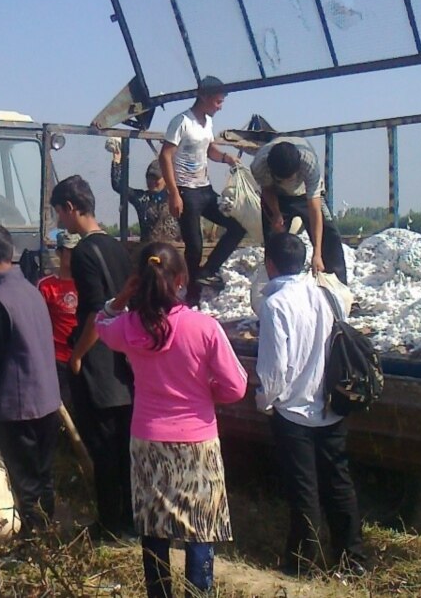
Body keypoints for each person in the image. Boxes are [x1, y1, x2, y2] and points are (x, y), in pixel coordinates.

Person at [95, 243, 247, 598]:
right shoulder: (203, 327)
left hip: (147, 439)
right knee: (200, 524)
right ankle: (200, 592)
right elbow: (236, 387)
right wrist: (207, 392)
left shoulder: (129, 327)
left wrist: (120, 298)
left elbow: (100, 324)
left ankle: (158, 592)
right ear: (181, 280)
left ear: (140, 280)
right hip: (197, 440)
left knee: (153, 525)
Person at [255, 233, 366, 576]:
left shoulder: (275, 305)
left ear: (269, 265)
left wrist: (265, 402)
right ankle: (353, 559)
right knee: (339, 482)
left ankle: (303, 564)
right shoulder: (327, 294)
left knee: (303, 490)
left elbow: (275, 366)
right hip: (332, 405)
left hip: (294, 411)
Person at [50, 175, 136, 539]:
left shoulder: (85, 251)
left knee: (103, 448)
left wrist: (77, 357)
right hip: (125, 360)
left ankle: (110, 525)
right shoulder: (119, 248)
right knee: (125, 447)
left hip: (97, 362)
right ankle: (131, 521)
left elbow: (94, 314)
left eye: (59, 214)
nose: (59, 222)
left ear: (71, 208)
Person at [0, 224, 62, 533]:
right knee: (44, 474)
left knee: (25, 482)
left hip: (18, 406)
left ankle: (33, 544)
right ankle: (47, 533)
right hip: (48, 401)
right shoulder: (31, 290)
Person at [159, 75, 248, 298]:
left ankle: (208, 270)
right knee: (195, 246)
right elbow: (165, 156)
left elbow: (210, 150)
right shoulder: (181, 121)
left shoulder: (207, 122)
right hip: (186, 191)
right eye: (217, 102)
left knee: (237, 227)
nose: (220, 107)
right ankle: (192, 296)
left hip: (205, 189)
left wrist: (226, 158)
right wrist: (173, 193)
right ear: (204, 97)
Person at [251, 137, 348, 284]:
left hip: (305, 194)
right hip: (277, 196)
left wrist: (317, 253)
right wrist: (276, 214)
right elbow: (267, 190)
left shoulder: (309, 163)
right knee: (275, 242)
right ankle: (277, 286)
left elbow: (314, 208)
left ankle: (338, 289)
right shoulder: (259, 165)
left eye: (289, 178)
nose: (286, 182)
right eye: (281, 179)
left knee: (330, 236)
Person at [108, 137, 181, 243]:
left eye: (156, 178)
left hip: (174, 250)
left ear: (166, 178)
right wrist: (117, 157)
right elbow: (118, 185)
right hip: (149, 250)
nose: (152, 182)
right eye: (149, 177)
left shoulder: (176, 198)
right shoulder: (142, 199)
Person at [37, 231, 79, 411]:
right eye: (69, 251)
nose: (73, 256)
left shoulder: (88, 284)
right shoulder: (46, 286)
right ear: (60, 253)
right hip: (57, 359)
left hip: (83, 355)